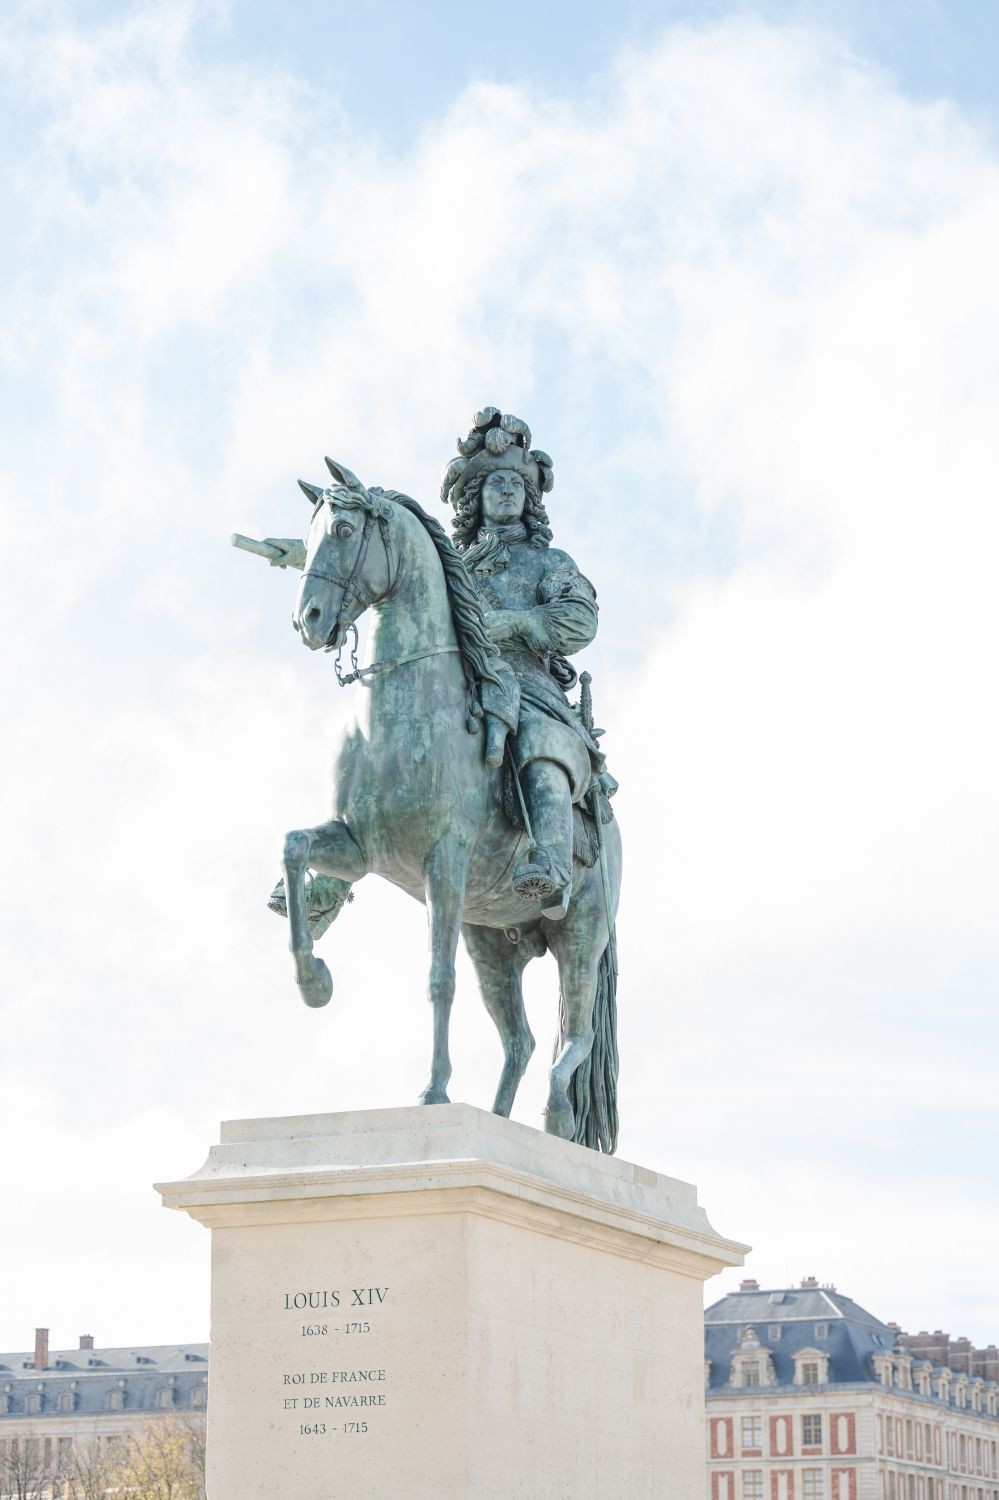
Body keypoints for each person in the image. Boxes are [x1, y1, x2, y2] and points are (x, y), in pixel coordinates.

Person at [441, 408, 608, 919]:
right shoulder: (446, 561)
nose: (508, 491)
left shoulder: (549, 562)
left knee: (538, 738)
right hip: (457, 679)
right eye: (496, 483)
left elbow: (580, 619)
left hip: (529, 682)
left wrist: (514, 624)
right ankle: (331, 882)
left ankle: (552, 858)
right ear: (477, 497)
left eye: (517, 483)